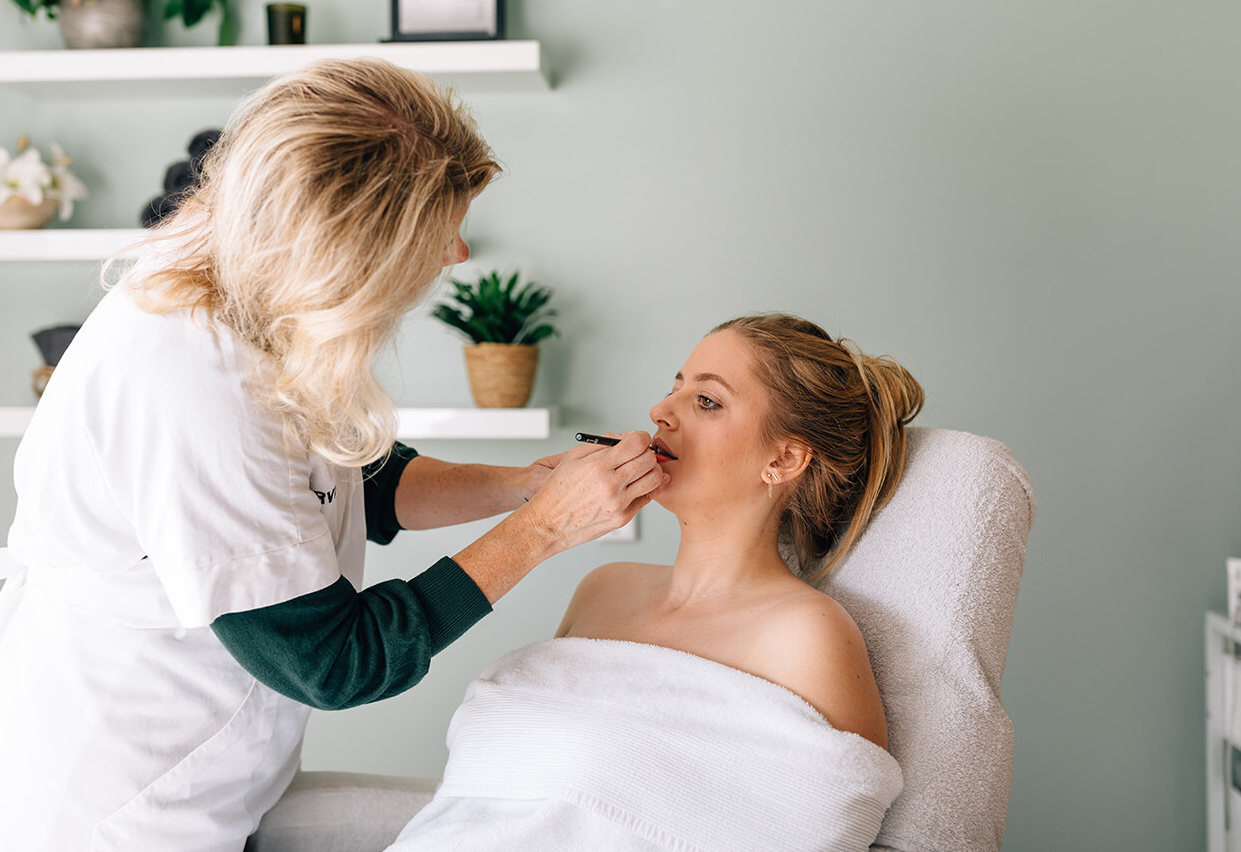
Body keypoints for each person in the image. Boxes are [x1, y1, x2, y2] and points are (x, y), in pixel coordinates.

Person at [0, 58, 666, 852]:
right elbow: (335, 662)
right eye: (436, 230)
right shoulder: (189, 380)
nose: (456, 252)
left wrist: (521, 487)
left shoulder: (248, 285)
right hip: (119, 804)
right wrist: (545, 530)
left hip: (219, 779)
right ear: (348, 250)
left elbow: (354, 483)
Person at [387, 313, 924, 852]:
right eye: (674, 389)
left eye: (706, 401)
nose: (659, 412)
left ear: (782, 459)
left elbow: (828, 830)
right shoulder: (604, 587)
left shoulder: (807, 634)